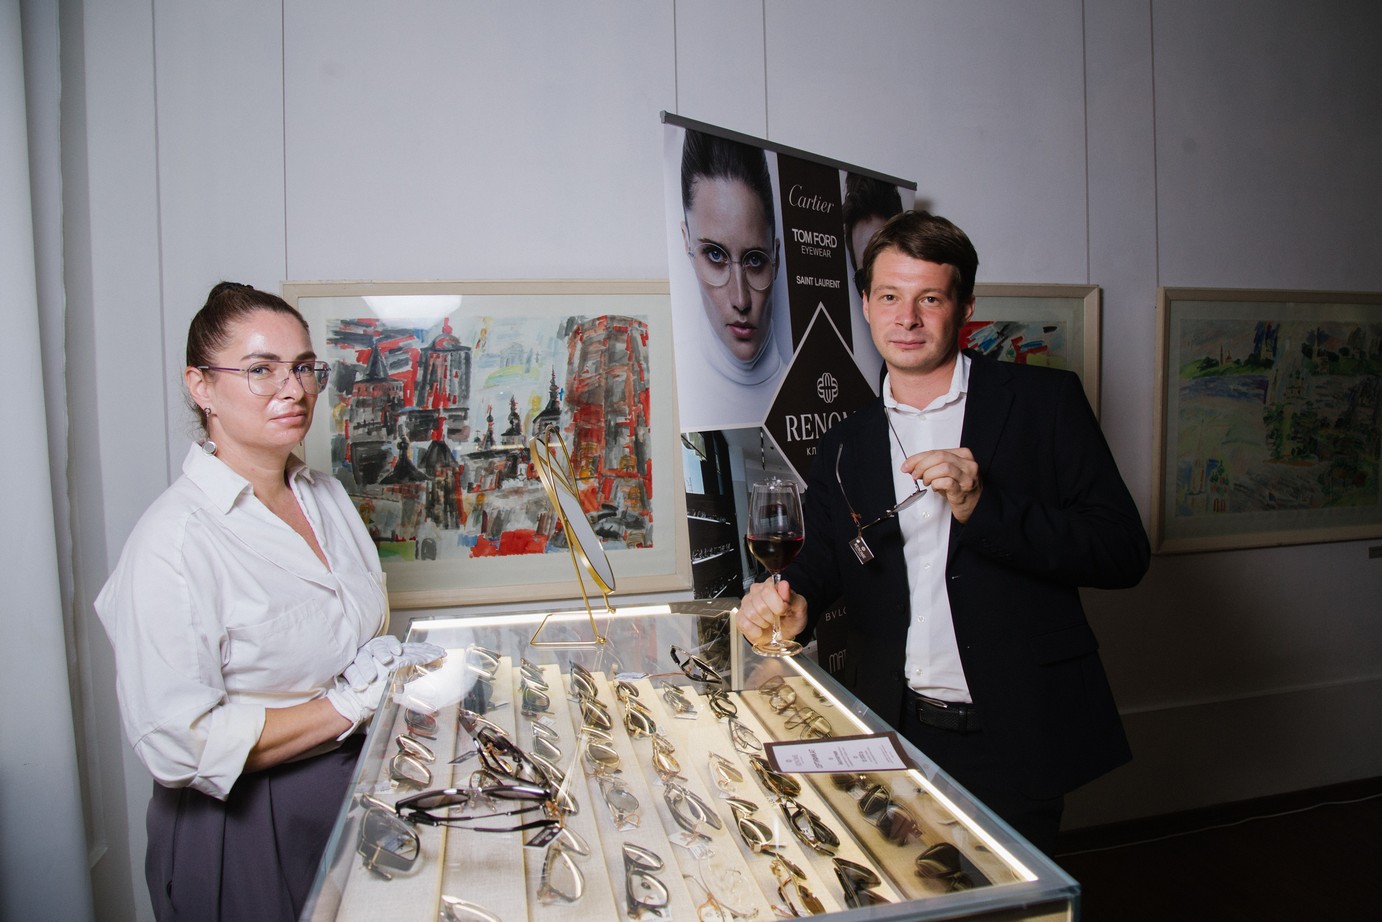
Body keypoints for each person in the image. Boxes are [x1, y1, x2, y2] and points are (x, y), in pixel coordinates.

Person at [736, 211, 1149, 853]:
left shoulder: (1045, 403)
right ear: (866, 305)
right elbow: (827, 559)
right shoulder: (847, 441)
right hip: (891, 727)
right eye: (889, 297)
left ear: (964, 307)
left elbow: (1123, 552)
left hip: (1013, 734)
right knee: (897, 892)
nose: (907, 318)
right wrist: (796, 600)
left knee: (1015, 903)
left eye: (929, 298)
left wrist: (984, 507)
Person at [95, 282, 444, 921]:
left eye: (304, 368)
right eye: (261, 370)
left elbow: (349, 637)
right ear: (201, 386)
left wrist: (378, 672)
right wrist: (345, 704)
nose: (294, 389)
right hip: (243, 823)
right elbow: (178, 743)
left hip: (351, 791)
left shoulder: (326, 496)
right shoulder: (173, 542)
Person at [678, 129, 786, 425]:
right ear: (686, 242)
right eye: (715, 255)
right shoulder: (675, 394)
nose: (741, 299)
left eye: (755, 260)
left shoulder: (801, 390)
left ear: (776, 258)